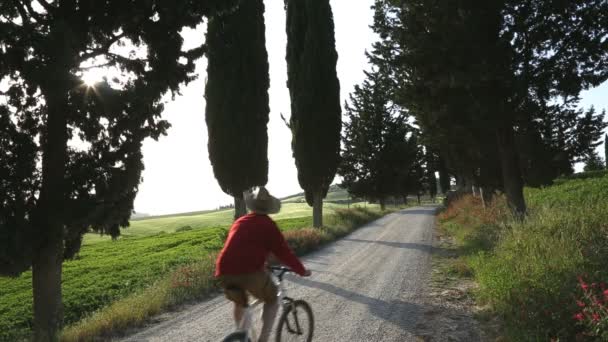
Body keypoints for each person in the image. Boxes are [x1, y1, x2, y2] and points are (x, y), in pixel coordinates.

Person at [215, 186, 311, 342]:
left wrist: (262, 262)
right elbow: (284, 252)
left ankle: (240, 335)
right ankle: (263, 339)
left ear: (252, 206)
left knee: (240, 300)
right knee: (272, 299)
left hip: (224, 269)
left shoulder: (240, 221)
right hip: (248, 271)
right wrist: (301, 270)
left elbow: (241, 247)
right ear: (268, 208)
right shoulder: (268, 225)